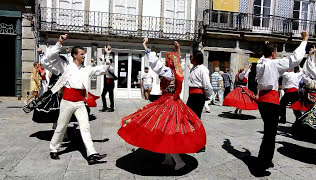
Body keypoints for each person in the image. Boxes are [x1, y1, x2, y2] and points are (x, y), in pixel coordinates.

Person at [118, 38, 206, 170]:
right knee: (167, 130)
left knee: (164, 131)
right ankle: (168, 159)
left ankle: (178, 161)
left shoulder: (168, 72)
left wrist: (145, 47)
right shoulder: (177, 71)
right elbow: (177, 61)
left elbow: (155, 64)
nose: (165, 61)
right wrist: (178, 49)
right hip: (175, 102)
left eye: (167, 59)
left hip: (167, 103)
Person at [40, 34, 109, 165]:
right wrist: (60, 42)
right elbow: (51, 57)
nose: (84, 56)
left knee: (85, 127)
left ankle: (91, 154)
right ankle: (54, 149)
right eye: (82, 54)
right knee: (61, 126)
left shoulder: (86, 69)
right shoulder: (65, 66)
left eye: (84, 54)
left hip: (79, 102)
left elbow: (100, 70)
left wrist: (107, 56)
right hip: (67, 101)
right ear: (75, 55)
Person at [255, 31, 308, 171]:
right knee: (270, 134)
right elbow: (295, 58)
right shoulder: (275, 64)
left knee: (268, 131)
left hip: (262, 101)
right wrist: (304, 40)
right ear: (273, 54)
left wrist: (267, 46)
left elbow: (264, 57)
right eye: (276, 52)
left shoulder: (260, 63)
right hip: (271, 101)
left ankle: (266, 158)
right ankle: (263, 162)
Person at [187, 51, 213, 118]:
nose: (190, 58)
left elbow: (207, 85)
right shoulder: (193, 68)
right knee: (188, 114)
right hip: (192, 95)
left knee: (196, 115)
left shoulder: (203, 69)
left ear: (196, 58)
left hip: (198, 96)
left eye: (191, 57)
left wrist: (208, 95)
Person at [100, 45, 116, 112]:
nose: (108, 61)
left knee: (110, 95)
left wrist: (107, 53)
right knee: (103, 95)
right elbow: (105, 63)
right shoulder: (106, 65)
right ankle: (104, 107)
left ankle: (111, 108)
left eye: (109, 61)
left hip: (111, 82)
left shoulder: (112, 66)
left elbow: (107, 62)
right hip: (106, 81)